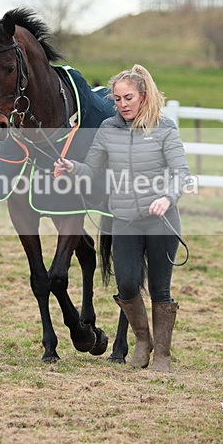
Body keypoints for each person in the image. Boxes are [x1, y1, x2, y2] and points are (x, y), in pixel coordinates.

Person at [54, 64, 190, 372]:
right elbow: (92, 168)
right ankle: (142, 341)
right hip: (124, 219)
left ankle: (162, 356)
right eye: (117, 99)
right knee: (127, 285)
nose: (122, 104)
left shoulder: (164, 128)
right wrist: (71, 167)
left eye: (128, 97)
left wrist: (166, 197)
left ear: (143, 96)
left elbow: (182, 174)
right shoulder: (107, 129)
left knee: (159, 290)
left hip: (161, 222)